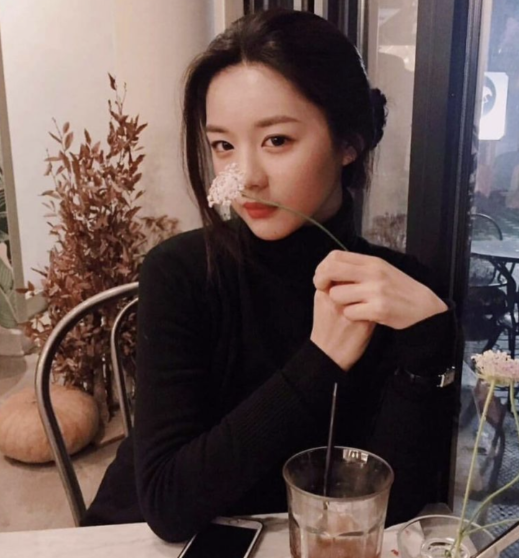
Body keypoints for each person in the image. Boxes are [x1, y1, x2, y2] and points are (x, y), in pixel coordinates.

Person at [82, 9, 457, 542]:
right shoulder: (181, 273)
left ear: (348, 142)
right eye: (223, 145)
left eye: (277, 140)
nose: (246, 178)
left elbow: (392, 514)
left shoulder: (398, 295)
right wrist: (320, 360)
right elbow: (167, 505)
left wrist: (430, 347)